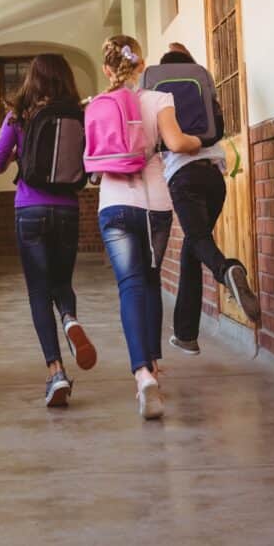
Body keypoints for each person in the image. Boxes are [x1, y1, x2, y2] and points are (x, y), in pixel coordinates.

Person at [94, 35, 201, 420]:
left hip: (114, 203)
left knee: (130, 286)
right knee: (152, 280)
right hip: (155, 203)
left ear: (107, 69)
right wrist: (195, 139)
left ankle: (142, 373)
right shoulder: (159, 100)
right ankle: (154, 364)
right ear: (142, 66)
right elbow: (177, 142)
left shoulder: (98, 104)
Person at [0, 53, 96, 408]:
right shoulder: (80, 114)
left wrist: (18, 148)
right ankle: (69, 318)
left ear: (30, 80)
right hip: (67, 209)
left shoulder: (19, 115)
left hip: (29, 209)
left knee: (38, 291)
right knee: (62, 283)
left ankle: (56, 371)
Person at [156, 44, 261, 356]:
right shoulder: (203, 86)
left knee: (198, 239)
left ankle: (227, 268)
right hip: (214, 178)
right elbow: (220, 129)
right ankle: (186, 333)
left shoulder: (159, 95)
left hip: (183, 176)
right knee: (193, 246)